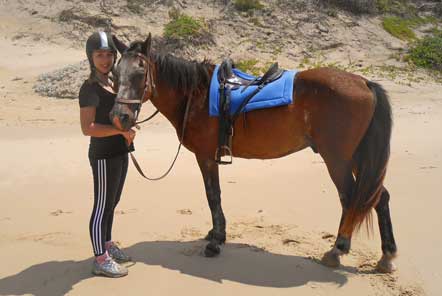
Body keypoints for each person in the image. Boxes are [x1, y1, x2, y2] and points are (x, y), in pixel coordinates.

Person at [79, 31, 136, 278]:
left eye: (109, 54)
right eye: (99, 55)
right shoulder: (90, 88)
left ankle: (108, 243)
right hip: (102, 155)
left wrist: (127, 128)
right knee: (102, 206)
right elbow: (87, 128)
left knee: (113, 203)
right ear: (90, 57)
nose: (105, 60)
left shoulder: (113, 82)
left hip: (120, 151)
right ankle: (100, 259)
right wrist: (119, 131)